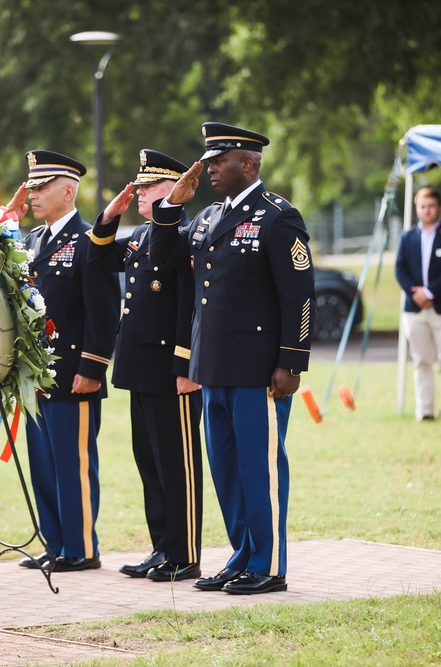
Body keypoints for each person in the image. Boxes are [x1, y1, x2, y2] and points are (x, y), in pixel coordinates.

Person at [149, 122, 316, 595]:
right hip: (213, 366)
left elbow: (299, 295)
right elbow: (165, 262)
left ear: (247, 163)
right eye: (207, 160)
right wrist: (171, 205)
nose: (208, 169)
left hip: (257, 370)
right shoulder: (205, 217)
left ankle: (269, 564)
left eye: (217, 161)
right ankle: (242, 554)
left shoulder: (277, 216)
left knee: (258, 470)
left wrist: (292, 361)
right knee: (225, 468)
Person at [86, 149, 204, 582]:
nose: (137, 192)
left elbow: (189, 305)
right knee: (150, 461)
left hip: (172, 371)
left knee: (178, 464)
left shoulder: (184, 236)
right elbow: (96, 258)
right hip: (140, 367)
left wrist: (186, 366)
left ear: (173, 191)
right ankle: (162, 548)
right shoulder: (141, 234)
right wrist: (109, 218)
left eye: (147, 187)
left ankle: (185, 553)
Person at [3, 150, 120, 571]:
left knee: (73, 465)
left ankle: (82, 548)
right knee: (45, 465)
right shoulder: (32, 242)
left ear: (68, 191)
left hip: (73, 375)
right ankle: (54, 543)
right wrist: (9, 215)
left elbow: (104, 312)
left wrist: (92, 368)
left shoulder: (91, 242)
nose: (32, 195)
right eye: (30, 187)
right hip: (36, 379)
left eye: (40, 187)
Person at [394, 186, 441, 420]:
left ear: (439, 208)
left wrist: (430, 291)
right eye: (422, 206)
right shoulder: (407, 237)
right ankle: (424, 410)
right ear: (417, 209)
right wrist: (416, 294)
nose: (427, 210)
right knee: (421, 360)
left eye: (431, 206)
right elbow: (400, 269)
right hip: (415, 309)